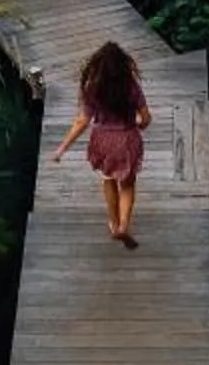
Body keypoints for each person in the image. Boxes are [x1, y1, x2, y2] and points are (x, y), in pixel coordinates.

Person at [51, 41, 150, 247]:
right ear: (123, 65)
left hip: (103, 141)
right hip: (127, 139)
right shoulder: (131, 86)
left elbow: (82, 122)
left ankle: (113, 223)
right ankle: (124, 225)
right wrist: (139, 125)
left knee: (108, 180)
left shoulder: (92, 88)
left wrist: (62, 148)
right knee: (128, 184)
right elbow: (146, 118)